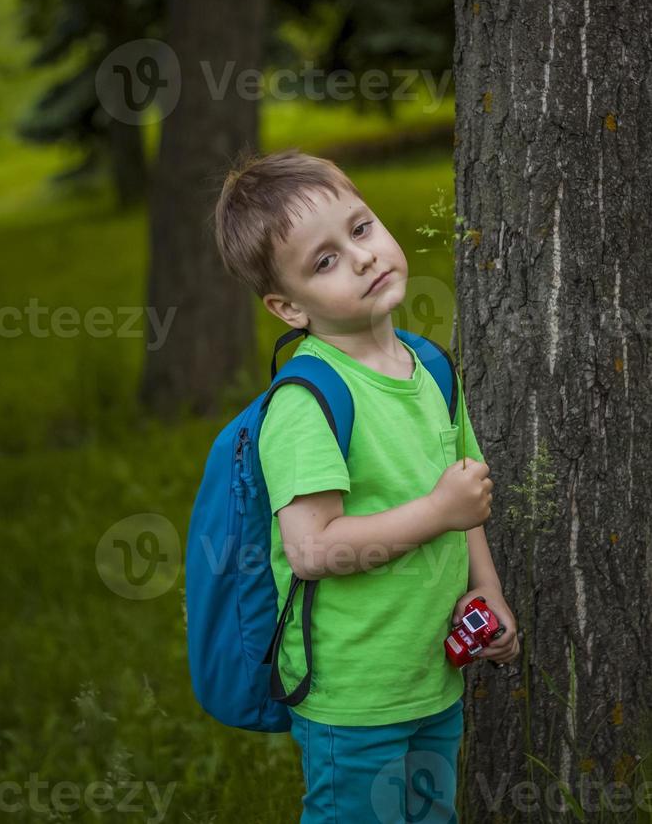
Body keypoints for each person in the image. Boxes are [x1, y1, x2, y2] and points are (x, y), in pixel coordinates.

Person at [214, 148, 520, 823]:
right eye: (323, 261)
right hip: (353, 693)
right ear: (287, 307)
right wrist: (437, 511)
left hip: (432, 676)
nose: (360, 257)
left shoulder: (429, 367)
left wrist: (487, 590)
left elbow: (462, 496)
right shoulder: (308, 401)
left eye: (360, 228)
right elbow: (314, 550)